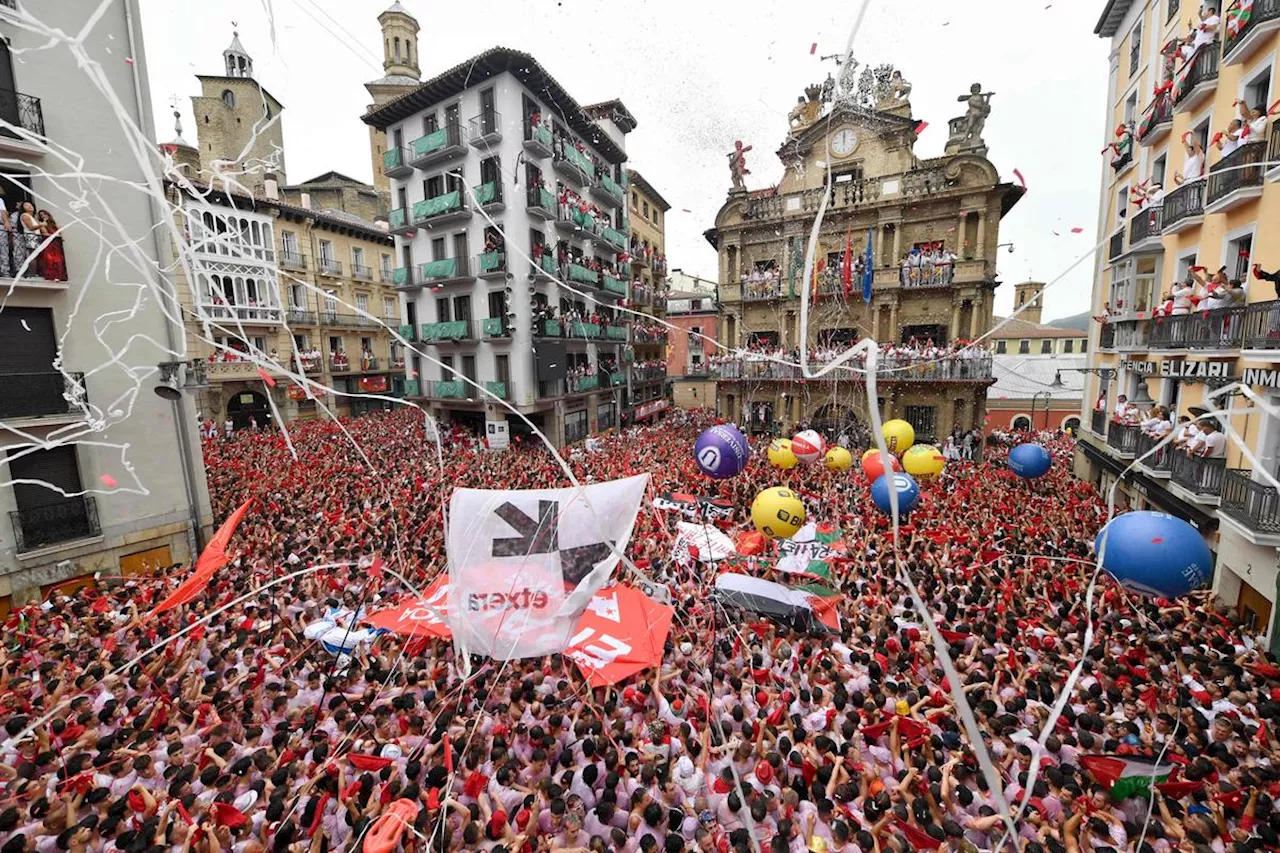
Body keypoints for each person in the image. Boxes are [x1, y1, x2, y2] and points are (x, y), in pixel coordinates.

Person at [34, 210, 67, 282]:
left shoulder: (54, 224)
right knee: (50, 259)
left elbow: (60, 232)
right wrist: (44, 223)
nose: (43, 216)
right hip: (49, 243)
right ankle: (53, 276)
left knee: (59, 259)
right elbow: (45, 233)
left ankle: (59, 276)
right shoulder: (42, 224)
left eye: (44, 214)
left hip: (56, 243)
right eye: (41, 215)